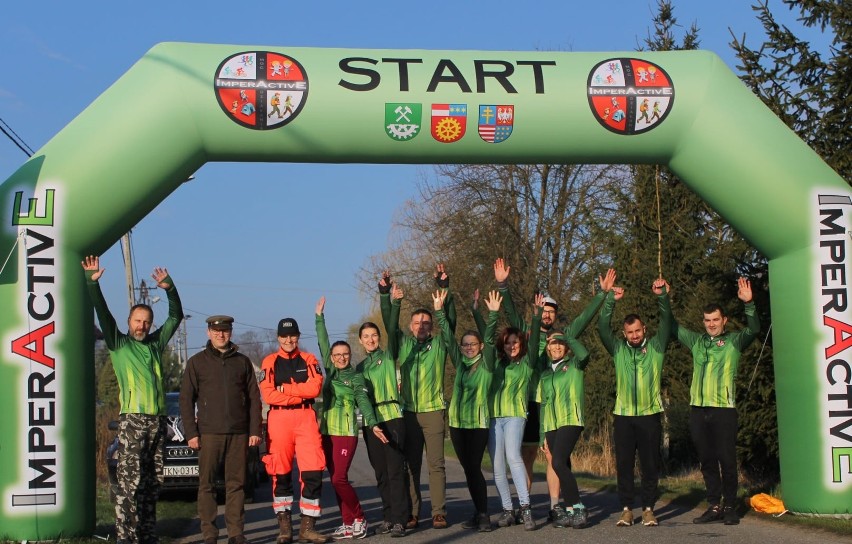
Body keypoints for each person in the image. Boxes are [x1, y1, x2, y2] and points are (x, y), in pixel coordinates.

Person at [494, 258, 615, 521]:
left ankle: (554, 506)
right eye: (544, 310)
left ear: (556, 314)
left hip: (552, 405)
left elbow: (584, 319)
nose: (547, 315)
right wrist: (503, 285)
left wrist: (602, 294)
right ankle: (524, 507)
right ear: (538, 311)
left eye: (551, 311)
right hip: (528, 401)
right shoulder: (528, 332)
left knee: (552, 457)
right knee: (524, 455)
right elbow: (511, 314)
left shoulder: (562, 336)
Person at [82, 255, 184, 544]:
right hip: (133, 422)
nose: (142, 325)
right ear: (129, 322)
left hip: (157, 422)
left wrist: (169, 289)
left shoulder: (155, 344)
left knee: (152, 485)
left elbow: (175, 317)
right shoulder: (119, 342)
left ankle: (147, 535)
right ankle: (126, 537)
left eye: (147, 322)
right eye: (138, 321)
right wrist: (93, 285)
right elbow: (103, 314)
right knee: (129, 485)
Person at [675, 277, 760, 526]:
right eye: (707, 320)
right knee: (707, 460)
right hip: (698, 410)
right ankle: (714, 505)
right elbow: (672, 328)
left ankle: (730, 506)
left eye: (716, 320)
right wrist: (663, 299)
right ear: (703, 322)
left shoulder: (734, 341)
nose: (711, 324)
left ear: (724, 321)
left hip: (724, 410)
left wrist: (750, 304)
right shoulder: (696, 342)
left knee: (726, 458)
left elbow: (754, 329)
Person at [381, 266, 455, 530]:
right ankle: (413, 513)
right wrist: (388, 296)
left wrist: (444, 287)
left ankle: (438, 512)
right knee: (411, 465)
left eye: (426, 323)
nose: (421, 326)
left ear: (431, 325)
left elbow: (451, 321)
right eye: (417, 323)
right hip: (409, 413)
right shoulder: (404, 343)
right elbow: (390, 324)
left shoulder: (440, 343)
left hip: (434, 411)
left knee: (436, 465)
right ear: (411, 327)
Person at [179, 315, 263, 544]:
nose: (220, 334)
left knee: (236, 485)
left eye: (224, 330)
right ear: (208, 333)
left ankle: (236, 533)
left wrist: (255, 429)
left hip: (238, 433)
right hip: (208, 434)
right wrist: (191, 433)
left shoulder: (243, 362)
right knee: (206, 486)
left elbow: (254, 398)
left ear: (230, 332)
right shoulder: (197, 362)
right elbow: (186, 399)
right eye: (216, 331)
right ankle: (209, 534)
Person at [597, 277, 672, 527]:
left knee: (650, 465)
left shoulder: (657, 347)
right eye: (630, 332)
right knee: (625, 466)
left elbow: (667, 322)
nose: (634, 335)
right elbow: (602, 327)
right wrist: (610, 301)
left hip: (650, 415)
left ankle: (649, 509)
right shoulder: (618, 349)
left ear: (644, 330)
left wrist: (661, 296)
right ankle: (627, 509)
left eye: (638, 331)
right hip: (624, 416)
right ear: (624, 334)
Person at [315, 297, 388, 540]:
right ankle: (347, 523)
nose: (341, 357)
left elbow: (364, 401)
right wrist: (319, 318)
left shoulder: (356, 377)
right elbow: (323, 344)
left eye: (345, 354)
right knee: (336, 480)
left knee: (339, 478)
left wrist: (373, 422)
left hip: (346, 432)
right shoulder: (330, 371)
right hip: (327, 432)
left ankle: (359, 518)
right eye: (337, 354)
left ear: (350, 354)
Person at [259, 317, 329, 544]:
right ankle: (285, 528)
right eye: (284, 336)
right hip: (278, 419)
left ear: (298, 336)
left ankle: (307, 527)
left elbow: (315, 387)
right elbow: (268, 394)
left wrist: (287, 388)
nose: (288, 340)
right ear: (278, 337)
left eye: (292, 335)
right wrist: (299, 392)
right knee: (280, 473)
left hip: (305, 417)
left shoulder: (309, 358)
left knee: (313, 471)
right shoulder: (269, 361)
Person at [437, 289, 500, 532]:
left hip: (478, 423)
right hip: (457, 424)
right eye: (465, 344)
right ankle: (478, 512)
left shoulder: (487, 363)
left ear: (481, 346)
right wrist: (439, 312)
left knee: (474, 467)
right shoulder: (460, 362)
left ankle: (484, 515)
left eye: (473, 344)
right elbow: (447, 336)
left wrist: (492, 314)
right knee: (468, 468)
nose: (468, 347)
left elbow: (492, 338)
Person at [359, 274, 409, 537]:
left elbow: (392, 326)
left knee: (394, 471)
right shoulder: (359, 367)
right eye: (366, 336)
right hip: (372, 423)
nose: (370, 339)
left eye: (373, 335)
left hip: (392, 417)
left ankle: (401, 518)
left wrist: (387, 296)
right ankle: (388, 515)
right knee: (380, 473)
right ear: (360, 341)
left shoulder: (389, 356)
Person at [490, 292, 545, 530]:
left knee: (514, 457)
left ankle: (526, 508)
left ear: (521, 343)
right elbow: (484, 338)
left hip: (515, 415)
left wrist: (537, 315)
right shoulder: (496, 363)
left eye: (516, 342)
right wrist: (490, 313)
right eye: (508, 342)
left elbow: (534, 343)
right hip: (494, 417)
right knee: (497, 466)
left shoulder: (528, 362)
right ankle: (507, 509)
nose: (512, 346)